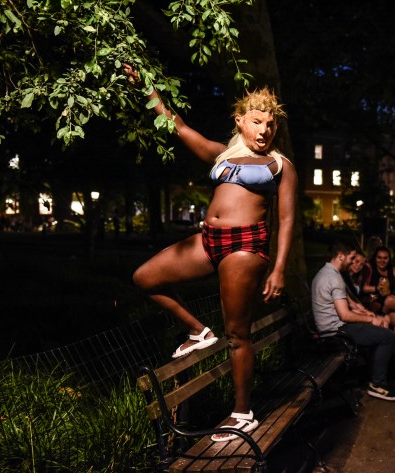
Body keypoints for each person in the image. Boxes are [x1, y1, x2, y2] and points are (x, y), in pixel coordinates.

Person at [123, 64, 298, 442]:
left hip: (246, 246)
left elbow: (287, 219)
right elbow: (178, 125)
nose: (264, 130)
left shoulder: (279, 165)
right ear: (240, 121)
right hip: (208, 242)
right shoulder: (222, 155)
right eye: (257, 122)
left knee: (237, 333)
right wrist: (147, 87)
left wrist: (279, 268)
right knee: (145, 278)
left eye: (270, 124)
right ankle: (198, 331)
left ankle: (242, 412)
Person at [311, 240, 395, 400]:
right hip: (336, 332)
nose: (353, 262)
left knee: (383, 333)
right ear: (340, 256)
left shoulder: (328, 273)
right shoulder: (334, 278)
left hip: (335, 327)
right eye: (351, 258)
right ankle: (378, 384)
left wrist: (369, 314)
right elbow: (345, 315)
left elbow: (350, 302)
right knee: (386, 336)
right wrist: (369, 319)